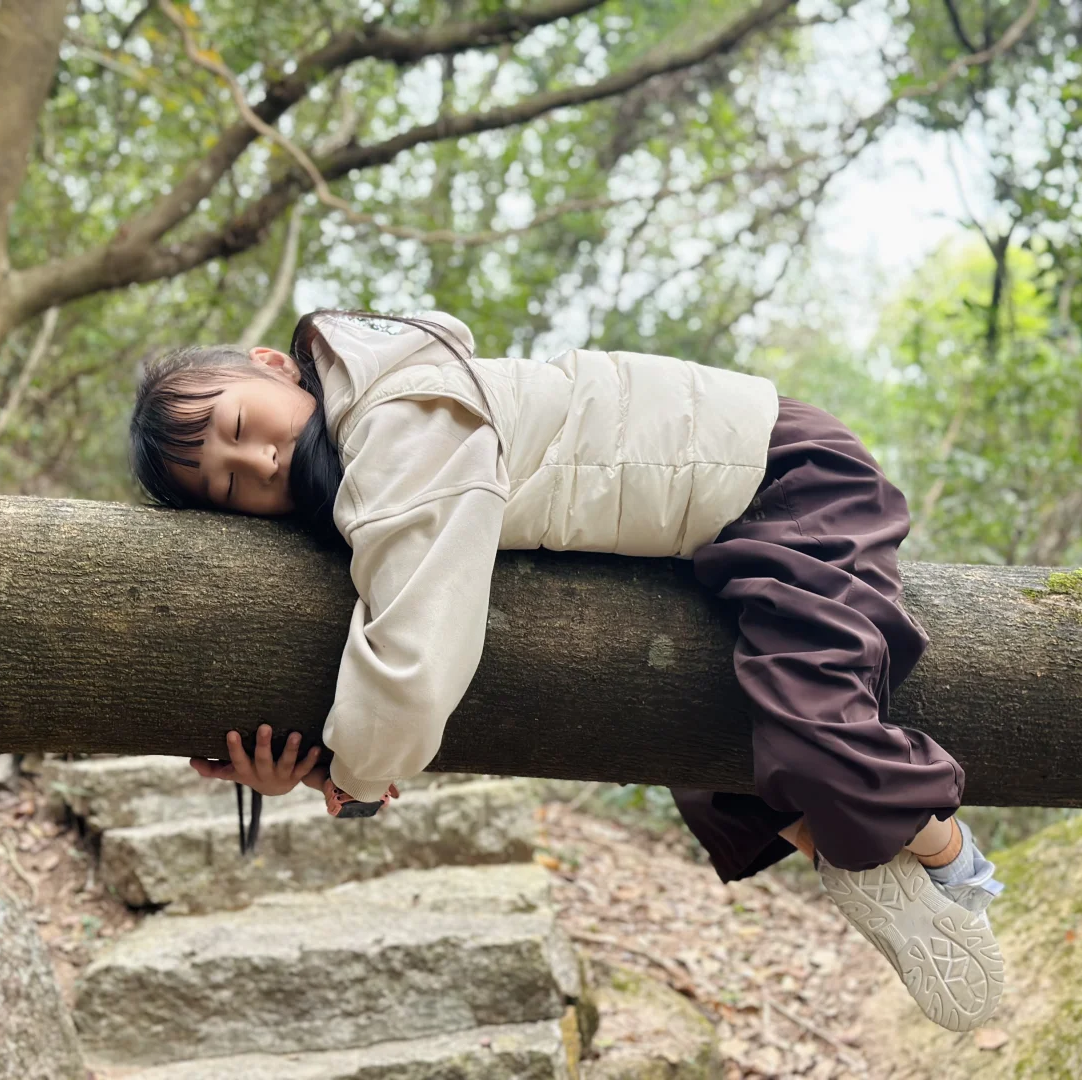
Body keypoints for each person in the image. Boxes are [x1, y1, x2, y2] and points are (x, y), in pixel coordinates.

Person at [128, 308, 1005, 1032]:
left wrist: (351, 775)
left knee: (816, 718)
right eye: (232, 487)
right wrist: (318, 761)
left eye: (238, 428)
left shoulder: (396, 422)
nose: (260, 463)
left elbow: (416, 649)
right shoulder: (371, 425)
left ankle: (947, 857)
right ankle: (853, 855)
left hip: (788, 478)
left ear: (273, 365)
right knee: (717, 740)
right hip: (712, 524)